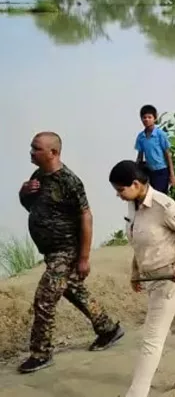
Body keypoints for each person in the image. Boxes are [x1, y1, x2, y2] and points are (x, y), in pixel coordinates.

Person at [18, 132, 124, 374]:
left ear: (53, 153)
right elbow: (31, 207)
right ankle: (108, 329)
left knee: (44, 300)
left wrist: (84, 257)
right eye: (31, 147)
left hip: (65, 251)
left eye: (36, 148)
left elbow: (86, 216)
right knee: (74, 291)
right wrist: (24, 192)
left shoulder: (69, 181)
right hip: (51, 251)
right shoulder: (38, 177)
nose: (31, 152)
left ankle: (41, 353)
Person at [109, 161, 175, 396]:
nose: (118, 195)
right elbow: (138, 243)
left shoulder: (163, 205)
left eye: (120, 190)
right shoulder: (134, 205)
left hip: (171, 278)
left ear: (136, 184)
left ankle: (136, 393)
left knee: (151, 339)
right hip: (151, 277)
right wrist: (135, 272)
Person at [135, 105, 175, 194]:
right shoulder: (141, 137)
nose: (146, 120)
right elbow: (140, 156)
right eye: (144, 117)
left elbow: (167, 154)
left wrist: (172, 174)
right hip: (149, 171)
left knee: (160, 195)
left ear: (155, 118)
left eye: (149, 117)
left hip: (161, 170)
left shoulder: (160, 134)